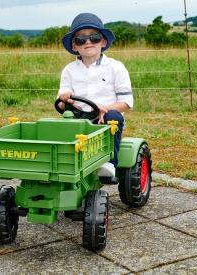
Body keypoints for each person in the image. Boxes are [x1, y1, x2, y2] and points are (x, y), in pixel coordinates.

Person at [57, 13, 133, 177]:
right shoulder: (69, 70)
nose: (88, 42)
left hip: (105, 120)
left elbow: (126, 102)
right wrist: (65, 99)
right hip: (79, 118)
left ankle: (109, 164)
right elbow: (61, 104)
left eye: (94, 37)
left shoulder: (115, 67)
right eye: (81, 39)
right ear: (74, 46)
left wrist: (103, 108)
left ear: (103, 41)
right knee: (62, 123)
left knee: (114, 117)